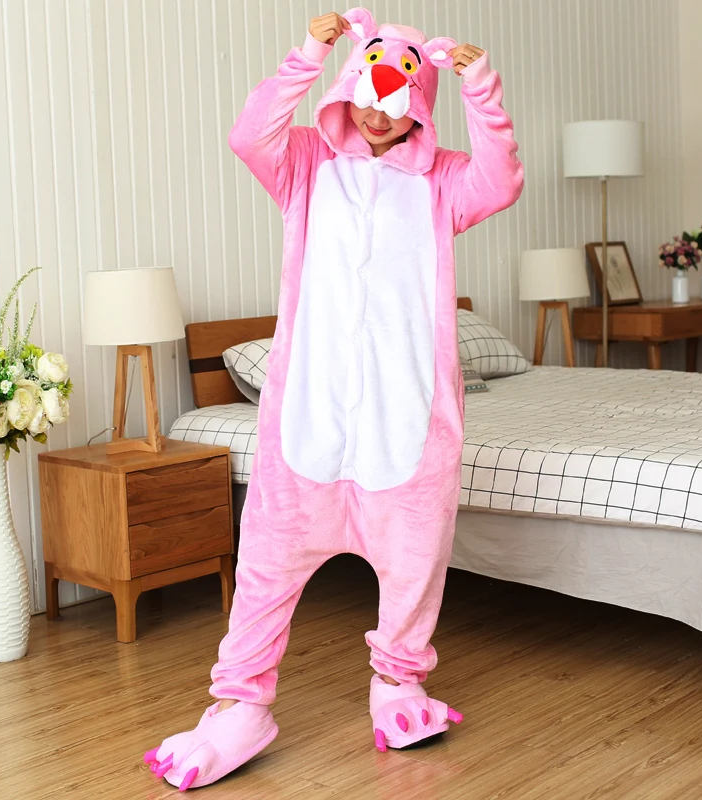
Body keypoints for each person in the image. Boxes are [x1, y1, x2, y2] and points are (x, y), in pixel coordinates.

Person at [144, 7, 523, 791]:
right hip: (306, 422)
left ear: (419, 105)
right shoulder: (307, 163)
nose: (378, 114)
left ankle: (399, 686)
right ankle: (239, 706)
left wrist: (480, 87)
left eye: (396, 101)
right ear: (348, 89)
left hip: (406, 423)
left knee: (413, 565)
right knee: (266, 569)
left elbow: (502, 180)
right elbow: (249, 135)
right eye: (365, 95)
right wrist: (308, 55)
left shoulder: (443, 180)